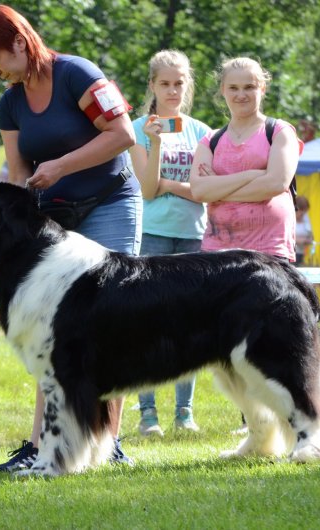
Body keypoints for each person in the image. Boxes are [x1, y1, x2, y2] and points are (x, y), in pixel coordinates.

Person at [0, 4, 141, 472]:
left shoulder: (78, 74)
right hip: (53, 217)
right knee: (50, 330)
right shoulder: (10, 103)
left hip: (111, 202)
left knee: (110, 322)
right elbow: (18, 170)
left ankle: (108, 444)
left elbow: (123, 135)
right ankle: (41, 444)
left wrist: (61, 166)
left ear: (19, 42)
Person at [189, 56, 304, 435]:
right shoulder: (211, 140)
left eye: (250, 87)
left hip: (270, 250)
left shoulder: (279, 132)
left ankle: (289, 415)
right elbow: (198, 190)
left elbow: (277, 182)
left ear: (262, 88)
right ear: (222, 91)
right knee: (229, 341)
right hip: (219, 253)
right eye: (234, 87)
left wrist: (223, 185)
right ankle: (254, 420)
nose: (242, 94)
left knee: (271, 338)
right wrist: (253, 174)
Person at [128, 50, 209, 437]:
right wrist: (156, 143)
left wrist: (169, 185)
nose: (173, 90)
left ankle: (184, 412)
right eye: (165, 83)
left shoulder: (202, 132)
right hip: (152, 235)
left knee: (190, 325)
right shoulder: (136, 128)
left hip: (193, 234)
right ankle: (148, 414)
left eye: (179, 83)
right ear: (152, 85)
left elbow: (205, 191)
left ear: (187, 85)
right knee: (147, 323)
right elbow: (146, 189)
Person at [294, 195, 313, 265]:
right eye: (302, 211)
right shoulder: (288, 219)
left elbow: (311, 235)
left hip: (301, 253)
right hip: (290, 254)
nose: (303, 213)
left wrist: (309, 240)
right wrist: (300, 240)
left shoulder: (306, 218)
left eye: (305, 211)